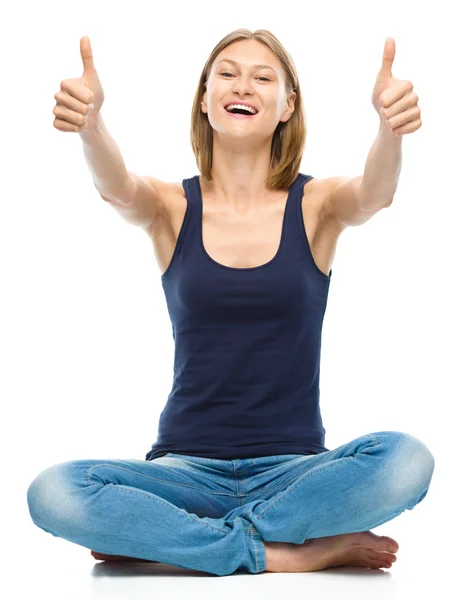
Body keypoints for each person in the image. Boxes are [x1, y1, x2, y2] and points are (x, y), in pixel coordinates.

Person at [27, 29, 434, 577]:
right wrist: (92, 125)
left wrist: (390, 131)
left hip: (293, 474)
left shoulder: (316, 205)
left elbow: (375, 193)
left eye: (264, 77)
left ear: (287, 105)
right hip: (183, 474)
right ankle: (291, 551)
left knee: (407, 460)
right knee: (53, 491)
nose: (243, 84)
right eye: (227, 72)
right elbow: (118, 187)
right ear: (204, 97)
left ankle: (170, 540)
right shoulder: (171, 206)